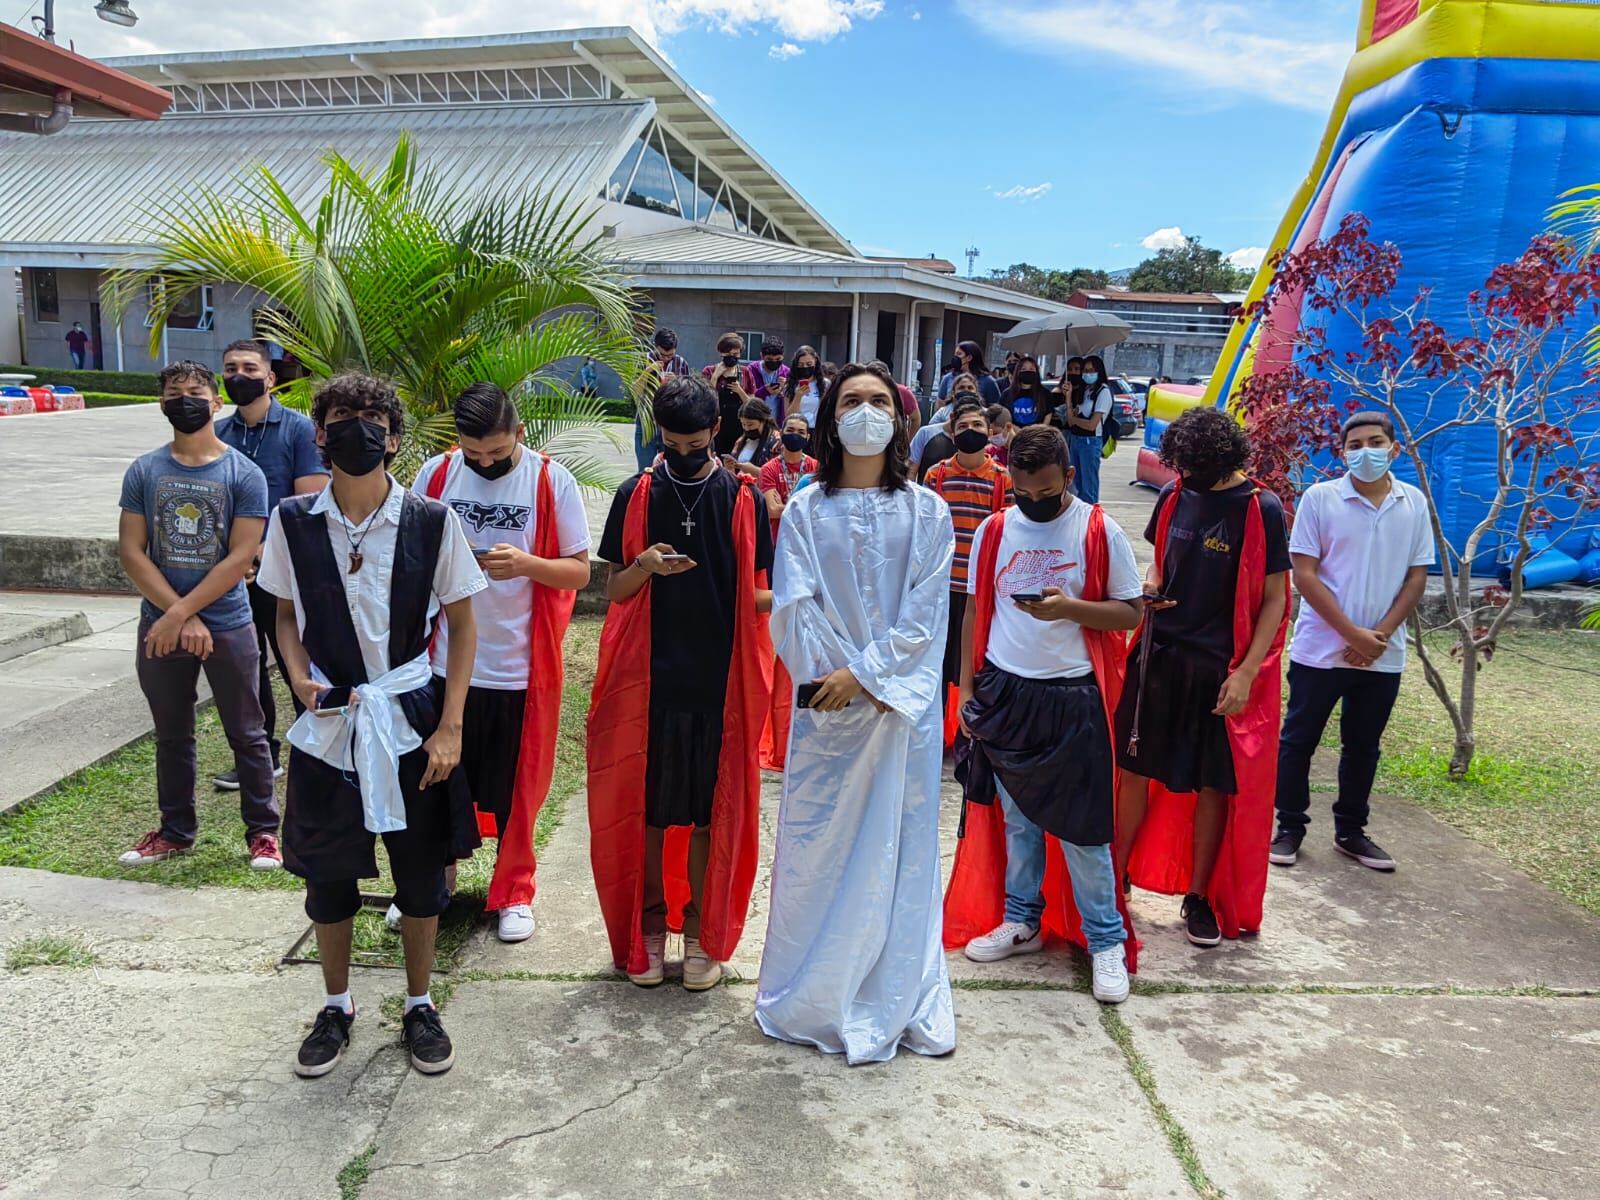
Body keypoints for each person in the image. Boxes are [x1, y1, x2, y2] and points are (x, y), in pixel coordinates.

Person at [258, 372, 487, 1079]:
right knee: (328, 875)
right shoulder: (292, 521)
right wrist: (297, 677)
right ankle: (337, 1005)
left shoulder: (430, 520)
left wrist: (450, 727)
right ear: (320, 434)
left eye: (371, 418)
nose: (357, 429)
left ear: (392, 437)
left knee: (421, 875)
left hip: (409, 711)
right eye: (340, 417)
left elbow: (462, 619)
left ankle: (419, 1003)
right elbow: (284, 612)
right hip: (332, 719)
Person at [756, 361, 956, 1064]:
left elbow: (929, 612)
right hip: (829, 708)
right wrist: (833, 678)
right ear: (830, 417)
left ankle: (893, 990)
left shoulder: (928, 510)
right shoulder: (807, 509)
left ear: (899, 417)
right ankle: (814, 990)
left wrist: (869, 675)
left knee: (898, 854)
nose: (865, 410)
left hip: (900, 714)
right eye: (851, 400)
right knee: (822, 851)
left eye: (878, 400)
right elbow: (793, 605)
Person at [943, 426, 1144, 1002]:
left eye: (1046, 492)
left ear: (1069, 479)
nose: (1034, 502)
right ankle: (1021, 919)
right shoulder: (995, 529)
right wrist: (966, 689)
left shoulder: (1098, 530)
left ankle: (1105, 942)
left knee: (1085, 832)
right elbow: (975, 612)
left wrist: (1069, 610)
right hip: (1007, 692)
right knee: (1017, 821)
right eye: (1023, 492)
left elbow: (1129, 615)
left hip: (1071, 695)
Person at [590, 374, 774, 991]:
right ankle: (647, 928)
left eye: (695, 442)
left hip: (718, 684)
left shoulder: (743, 498)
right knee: (644, 812)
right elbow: (613, 591)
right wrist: (644, 565)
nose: (685, 453)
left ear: (715, 431)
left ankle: (697, 932)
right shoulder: (635, 493)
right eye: (672, 442)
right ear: (659, 436)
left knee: (704, 816)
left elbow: (757, 595)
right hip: (649, 682)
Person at [412, 382, 591, 943]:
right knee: (436, 780)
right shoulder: (436, 476)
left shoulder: (548, 479)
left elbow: (580, 571)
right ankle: (431, 881)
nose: (485, 463)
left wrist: (528, 563)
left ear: (518, 433)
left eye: (496, 452)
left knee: (515, 787)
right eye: (474, 453)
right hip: (443, 661)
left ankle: (514, 890)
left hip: (516, 665)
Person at [1113, 407, 1290, 947]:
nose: (1185, 478)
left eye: (1194, 470)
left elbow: (1277, 599)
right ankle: (1114, 878)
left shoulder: (1262, 509)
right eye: (1179, 468)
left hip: (1219, 669)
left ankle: (1199, 898)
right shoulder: (1173, 495)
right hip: (1158, 656)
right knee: (1134, 770)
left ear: (1224, 462)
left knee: (1214, 785)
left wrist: (1246, 674)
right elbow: (1157, 561)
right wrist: (1152, 584)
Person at [116, 361, 276, 870]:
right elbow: (132, 552)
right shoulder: (144, 470)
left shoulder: (242, 474)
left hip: (226, 622)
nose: (184, 399)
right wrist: (177, 617)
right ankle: (175, 830)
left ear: (216, 402)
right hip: (161, 625)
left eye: (195, 391)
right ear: (162, 403)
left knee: (247, 731)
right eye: (173, 392)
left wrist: (182, 613)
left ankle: (264, 832)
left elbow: (240, 557)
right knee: (172, 732)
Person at [1271, 412, 1434, 871]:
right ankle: (1289, 828)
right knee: (1298, 740)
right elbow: (1304, 573)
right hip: (1320, 650)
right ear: (1343, 452)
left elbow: (1417, 575)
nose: (1366, 451)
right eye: (1356, 444)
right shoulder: (1321, 499)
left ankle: (1351, 831)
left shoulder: (1413, 502)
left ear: (1394, 448)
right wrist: (1351, 634)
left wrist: (1375, 638)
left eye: (1375, 441)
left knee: (1363, 745)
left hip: (1382, 654)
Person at [213, 339, 328, 790]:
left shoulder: (298, 431)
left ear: (271, 378)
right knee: (246, 665)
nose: (238, 374)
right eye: (230, 367)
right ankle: (261, 758)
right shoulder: (219, 435)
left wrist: (259, 551)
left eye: (248, 367)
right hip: (230, 573)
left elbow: (308, 499)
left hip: (284, 569)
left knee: (295, 656)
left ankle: (315, 749)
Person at [922, 400, 1012, 745]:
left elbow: (1007, 534)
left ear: (990, 432)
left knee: (975, 663)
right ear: (952, 431)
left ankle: (971, 733)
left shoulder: (1002, 479)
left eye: (977, 425)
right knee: (938, 664)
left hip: (980, 590)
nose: (970, 432)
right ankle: (935, 735)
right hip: (942, 588)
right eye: (963, 427)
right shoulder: (937, 475)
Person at [756, 411, 818, 771]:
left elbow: (789, 510)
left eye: (801, 432)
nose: (795, 436)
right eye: (790, 431)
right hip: (778, 553)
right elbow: (773, 509)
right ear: (782, 435)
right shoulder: (768, 469)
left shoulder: (814, 468)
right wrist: (789, 507)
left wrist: (786, 507)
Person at [1062, 355, 1115, 504]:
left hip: (1090, 442)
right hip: (1076, 440)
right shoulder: (1086, 391)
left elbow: (1092, 424)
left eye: (1092, 370)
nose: (1088, 373)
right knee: (1077, 485)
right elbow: (1071, 415)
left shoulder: (1103, 392)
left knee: (1089, 486)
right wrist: (1068, 397)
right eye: (1085, 370)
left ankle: (1092, 520)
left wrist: (1074, 420)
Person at [637, 328, 692, 470]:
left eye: (670, 355)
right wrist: (647, 372)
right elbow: (635, 392)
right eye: (662, 354)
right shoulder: (644, 360)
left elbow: (689, 395)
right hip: (646, 422)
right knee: (645, 469)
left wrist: (678, 382)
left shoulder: (681, 363)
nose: (666, 358)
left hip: (671, 423)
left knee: (669, 469)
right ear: (655, 347)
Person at [910, 374, 981, 479]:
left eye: (970, 388)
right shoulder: (926, 433)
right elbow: (911, 471)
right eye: (961, 388)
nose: (966, 391)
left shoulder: (982, 435)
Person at [703, 332, 752, 456]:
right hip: (717, 421)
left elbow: (752, 404)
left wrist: (740, 390)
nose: (732, 357)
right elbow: (705, 397)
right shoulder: (709, 370)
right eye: (728, 354)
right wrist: (715, 376)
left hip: (739, 423)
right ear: (721, 353)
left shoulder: (745, 372)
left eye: (735, 354)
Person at [937, 340, 1003, 407]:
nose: (955, 358)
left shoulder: (988, 381)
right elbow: (940, 403)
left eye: (959, 354)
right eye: (955, 355)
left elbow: (996, 407)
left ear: (969, 357)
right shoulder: (948, 378)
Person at [727, 397, 778, 477]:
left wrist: (757, 472)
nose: (746, 428)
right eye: (743, 424)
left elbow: (779, 476)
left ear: (763, 420)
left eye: (750, 424)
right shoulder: (741, 441)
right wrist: (730, 467)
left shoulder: (776, 442)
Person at [782, 345, 827, 434]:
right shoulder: (790, 385)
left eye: (809, 364)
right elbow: (789, 416)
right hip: (798, 432)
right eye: (801, 365)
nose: (805, 367)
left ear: (815, 362)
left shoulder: (824, 384)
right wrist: (798, 396)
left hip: (817, 431)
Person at [1002, 355, 1048, 428]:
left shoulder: (1045, 394)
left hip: (1037, 435)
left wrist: (1038, 433)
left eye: (1031, 369)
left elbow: (1048, 416)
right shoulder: (1007, 394)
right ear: (1017, 372)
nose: (1028, 371)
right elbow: (1003, 416)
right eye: (1023, 369)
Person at [748, 337, 789, 417]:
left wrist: (786, 388)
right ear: (762, 356)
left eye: (778, 359)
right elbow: (746, 396)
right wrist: (764, 391)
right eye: (769, 359)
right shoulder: (751, 370)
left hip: (778, 421)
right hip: (757, 419)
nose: (774, 362)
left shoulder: (786, 372)